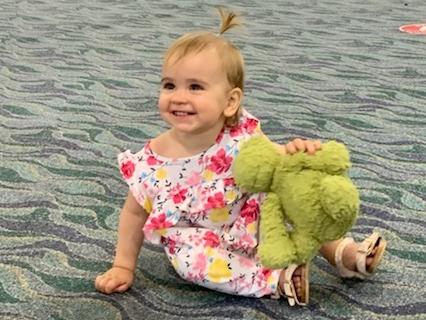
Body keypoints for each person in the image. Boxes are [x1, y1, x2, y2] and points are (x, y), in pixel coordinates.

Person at [95, 8, 386, 306]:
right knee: (188, 262)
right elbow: (133, 213)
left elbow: (278, 162)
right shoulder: (151, 162)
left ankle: (341, 253)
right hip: (203, 240)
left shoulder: (240, 135)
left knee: (292, 193)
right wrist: (123, 265)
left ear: (231, 101)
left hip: (254, 220)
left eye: (195, 87)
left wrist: (298, 152)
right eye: (169, 85)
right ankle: (276, 279)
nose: (178, 96)